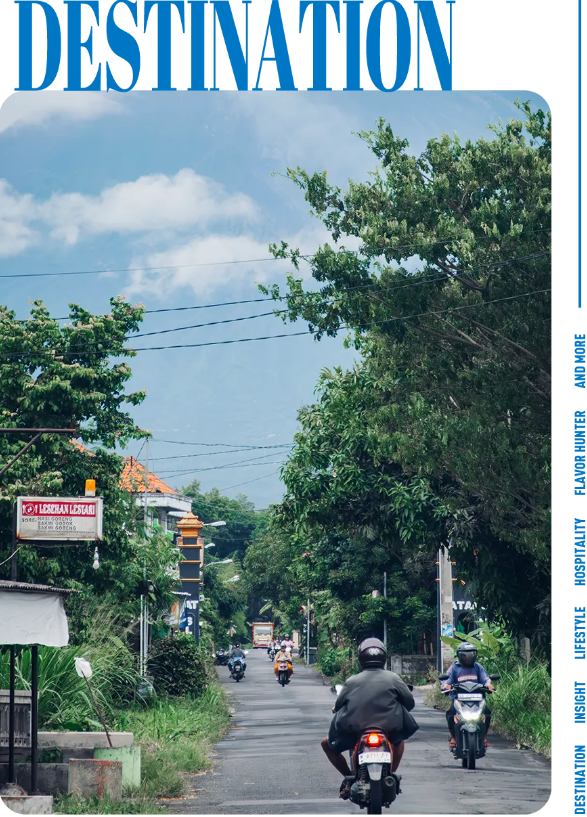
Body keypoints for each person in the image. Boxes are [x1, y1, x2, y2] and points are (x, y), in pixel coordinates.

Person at [321, 637, 418, 798]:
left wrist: (336, 709)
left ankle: (349, 777)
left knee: (326, 744)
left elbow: (338, 706)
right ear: (383, 657)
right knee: (399, 740)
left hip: (355, 729)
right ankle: (391, 774)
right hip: (389, 728)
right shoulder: (393, 678)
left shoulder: (352, 681)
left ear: (361, 658)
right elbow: (409, 703)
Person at [442, 642, 493, 748]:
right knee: (451, 714)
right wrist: (446, 686)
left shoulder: (478, 667)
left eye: (471, 654)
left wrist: (488, 685)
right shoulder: (454, 668)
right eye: (465, 655)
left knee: (487, 713)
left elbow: (486, 679)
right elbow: (447, 680)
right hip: (459, 699)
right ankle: (453, 737)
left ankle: (484, 736)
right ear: (459, 655)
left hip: (477, 699)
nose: (468, 657)